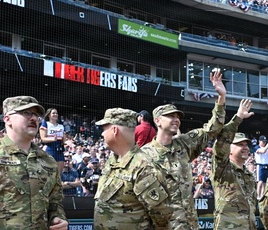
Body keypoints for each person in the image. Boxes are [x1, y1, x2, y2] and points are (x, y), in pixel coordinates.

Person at [0, 95, 68, 229]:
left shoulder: (48, 161)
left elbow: (55, 201)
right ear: (7, 119)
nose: (33, 118)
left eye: (36, 114)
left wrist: (57, 218)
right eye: (26, 113)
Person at [142, 69, 226, 229]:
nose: (176, 120)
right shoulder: (145, 156)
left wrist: (221, 97)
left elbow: (211, 129)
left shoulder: (184, 144)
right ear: (158, 121)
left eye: (178, 117)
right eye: (171, 116)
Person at [93, 108, 171, 230]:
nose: (102, 134)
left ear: (114, 131)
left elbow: (163, 218)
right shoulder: (112, 162)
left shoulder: (143, 167)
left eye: (104, 129)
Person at [211, 98, 257, 230]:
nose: (245, 148)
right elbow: (220, 145)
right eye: (240, 144)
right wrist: (238, 118)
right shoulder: (223, 168)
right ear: (229, 148)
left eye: (246, 145)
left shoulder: (248, 175)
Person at [40, 108, 66, 173]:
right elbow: (43, 139)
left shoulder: (61, 126)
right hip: (50, 149)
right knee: (49, 172)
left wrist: (66, 141)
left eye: (56, 113)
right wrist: (52, 139)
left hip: (59, 150)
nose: (55, 114)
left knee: (59, 174)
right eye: (53, 113)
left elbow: (64, 140)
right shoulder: (45, 124)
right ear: (49, 115)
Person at [255, 134, 268, 200]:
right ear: (259, 141)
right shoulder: (257, 148)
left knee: (265, 182)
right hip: (260, 165)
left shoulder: (267, 149)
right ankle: (258, 195)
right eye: (262, 141)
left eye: (265, 142)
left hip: (266, 165)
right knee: (260, 182)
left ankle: (262, 195)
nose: (264, 143)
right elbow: (262, 151)